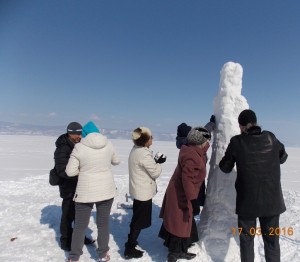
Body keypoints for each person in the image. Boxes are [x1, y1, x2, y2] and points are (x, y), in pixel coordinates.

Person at [219, 109, 288, 262]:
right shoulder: (271, 137)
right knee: (271, 242)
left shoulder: (237, 142)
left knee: (247, 241)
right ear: (255, 123)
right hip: (272, 203)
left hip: (247, 204)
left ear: (243, 126)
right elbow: (283, 157)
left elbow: (225, 168)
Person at [66, 121, 120, 262]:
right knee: (103, 224)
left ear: (84, 134)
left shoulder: (79, 147)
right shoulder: (108, 144)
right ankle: (103, 254)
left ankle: (74, 257)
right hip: (106, 191)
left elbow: (70, 172)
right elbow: (117, 161)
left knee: (80, 226)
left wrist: (83, 171)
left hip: (85, 192)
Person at [159, 126, 211, 262]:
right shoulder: (191, 156)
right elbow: (187, 180)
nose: (207, 143)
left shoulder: (191, 149)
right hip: (182, 194)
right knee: (180, 223)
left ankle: (181, 250)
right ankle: (173, 255)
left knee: (183, 222)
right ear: (199, 142)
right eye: (206, 141)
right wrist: (194, 201)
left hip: (183, 192)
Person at [124, 127, 166, 259]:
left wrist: (153, 161)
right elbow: (155, 172)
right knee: (138, 220)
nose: (152, 139)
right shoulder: (143, 154)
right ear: (145, 140)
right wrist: (158, 163)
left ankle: (131, 242)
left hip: (138, 189)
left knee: (137, 217)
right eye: (151, 137)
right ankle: (129, 248)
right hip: (143, 192)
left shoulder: (136, 150)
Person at [53, 122, 94, 252]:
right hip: (68, 188)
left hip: (79, 186)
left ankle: (79, 238)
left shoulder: (78, 145)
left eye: (80, 133)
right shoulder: (62, 148)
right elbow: (62, 171)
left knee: (79, 215)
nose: (79, 136)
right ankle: (65, 240)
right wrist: (80, 172)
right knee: (68, 215)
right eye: (76, 134)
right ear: (70, 133)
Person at [176, 115, 215, 207]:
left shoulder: (187, 143)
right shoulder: (190, 147)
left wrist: (211, 124)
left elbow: (204, 132)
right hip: (194, 184)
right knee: (190, 205)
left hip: (197, 179)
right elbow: (187, 179)